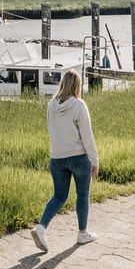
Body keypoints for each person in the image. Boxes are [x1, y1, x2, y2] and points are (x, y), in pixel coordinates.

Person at [32, 69, 97, 251]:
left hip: (57, 157)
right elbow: (87, 136)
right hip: (78, 157)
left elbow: (51, 129)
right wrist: (95, 160)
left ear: (62, 83)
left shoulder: (51, 104)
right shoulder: (79, 105)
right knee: (82, 195)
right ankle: (82, 234)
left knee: (59, 196)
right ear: (77, 85)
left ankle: (41, 228)